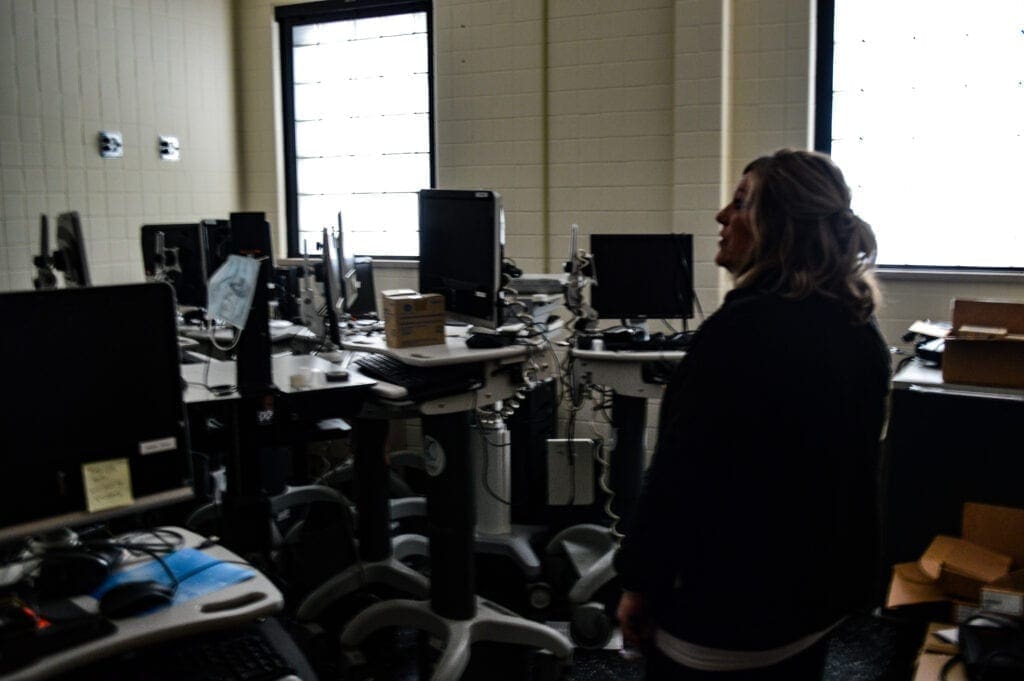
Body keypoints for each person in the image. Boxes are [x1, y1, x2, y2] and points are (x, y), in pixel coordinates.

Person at [613, 149, 891, 679]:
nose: (721, 217)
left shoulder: (738, 332)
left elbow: (677, 479)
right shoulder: (861, 328)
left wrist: (637, 583)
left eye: (741, 203)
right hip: (813, 609)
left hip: (725, 618)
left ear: (779, 225)